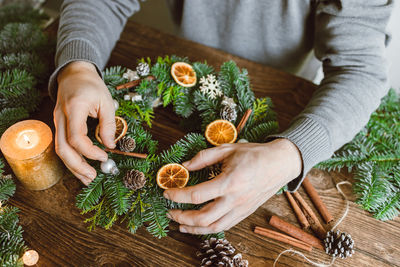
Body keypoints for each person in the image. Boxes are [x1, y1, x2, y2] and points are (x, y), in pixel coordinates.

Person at [50, 0, 393, 235]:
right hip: (184, 62)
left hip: (279, 96)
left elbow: (359, 68)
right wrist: (78, 65)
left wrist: (292, 155)